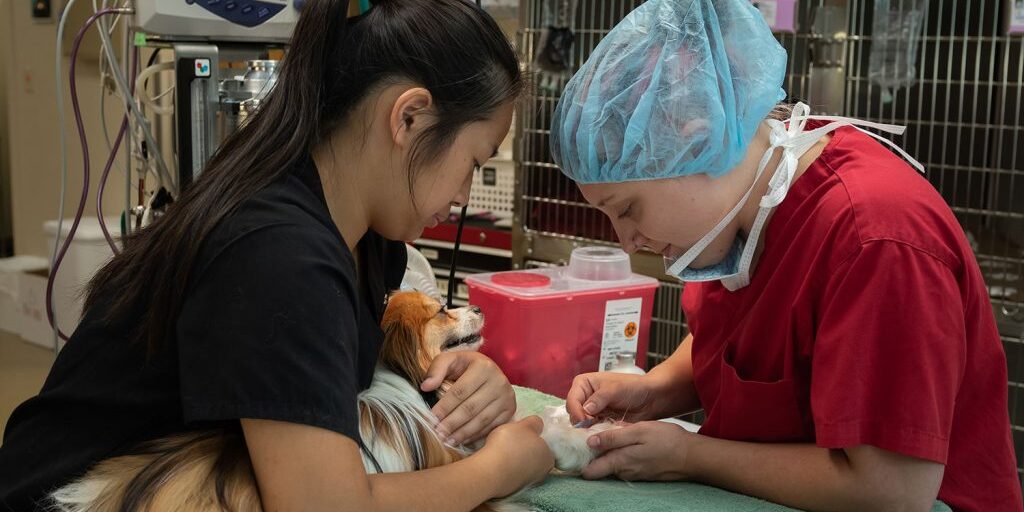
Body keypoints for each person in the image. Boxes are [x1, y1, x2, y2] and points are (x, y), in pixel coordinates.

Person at [0, 0, 553, 510]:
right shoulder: (279, 256)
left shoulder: (363, 236)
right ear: (408, 118)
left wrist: (457, 371)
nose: (463, 196)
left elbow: (319, 371)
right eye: (474, 162)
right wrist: (499, 469)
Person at [554, 0, 1022, 510]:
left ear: (697, 142)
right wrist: (658, 389)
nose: (627, 240)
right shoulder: (742, 203)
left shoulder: (875, 239)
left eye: (627, 208)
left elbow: (892, 490)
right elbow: (751, 333)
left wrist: (691, 456)